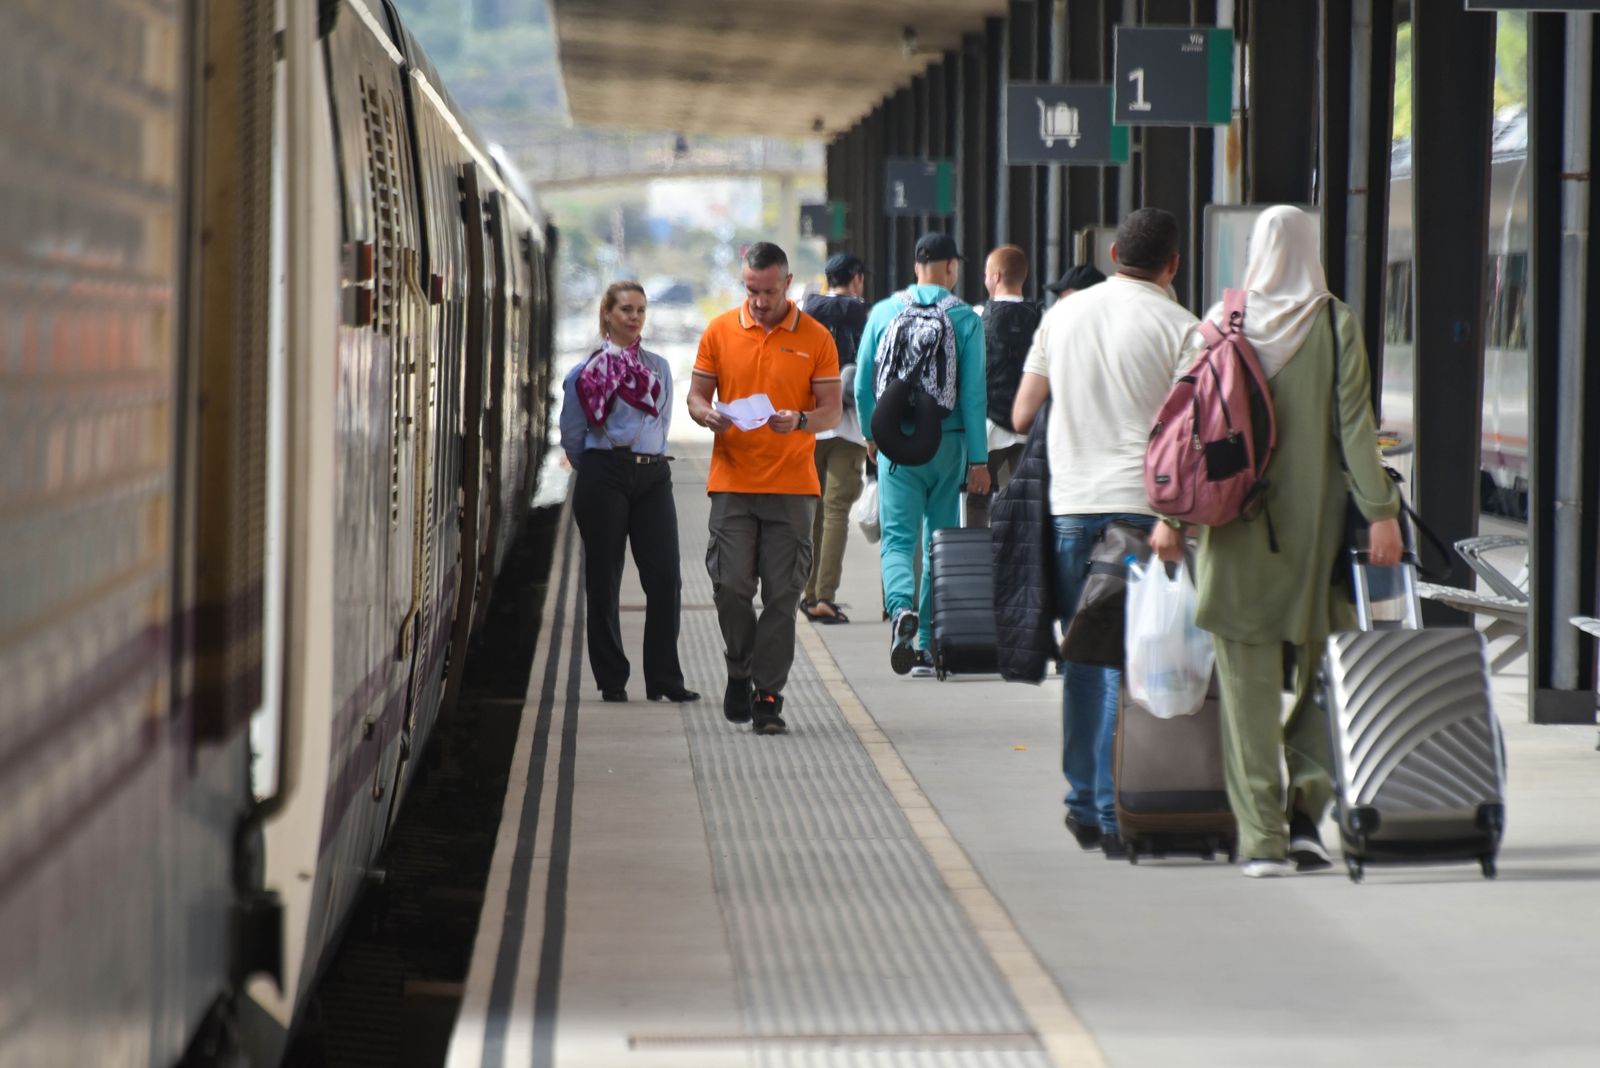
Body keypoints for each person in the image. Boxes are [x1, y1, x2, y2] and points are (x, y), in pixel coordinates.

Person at [1150, 205, 1402, 879]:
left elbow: (1183, 431)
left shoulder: (1217, 324)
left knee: (1246, 689)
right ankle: (1302, 815)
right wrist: (1382, 513)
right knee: (1329, 674)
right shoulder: (1334, 323)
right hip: (1311, 539)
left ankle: (1261, 838)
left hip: (1231, 531)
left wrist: (1170, 521)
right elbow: (1355, 430)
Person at [1010, 208, 1197, 858]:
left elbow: (1022, 409)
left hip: (1071, 506)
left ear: (1114, 251)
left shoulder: (1062, 316)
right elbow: (1190, 430)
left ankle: (1084, 804)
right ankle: (1120, 809)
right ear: (1173, 264)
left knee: (1084, 656)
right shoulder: (1184, 327)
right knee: (1128, 662)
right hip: (1143, 515)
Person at [687, 243, 843, 735]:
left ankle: (768, 695)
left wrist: (799, 420)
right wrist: (704, 413)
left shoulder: (817, 338)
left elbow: (832, 411)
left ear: (789, 283)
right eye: (750, 290)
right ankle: (740, 665)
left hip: (793, 489)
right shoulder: (719, 331)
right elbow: (696, 394)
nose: (758, 301)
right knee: (730, 586)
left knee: (782, 595)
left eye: (768, 291)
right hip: (732, 482)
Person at [855, 232, 989, 678]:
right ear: (951, 268)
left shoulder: (883, 312)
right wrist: (979, 460)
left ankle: (899, 613)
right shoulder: (966, 319)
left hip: (897, 444)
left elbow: (859, 385)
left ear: (917, 266)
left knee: (898, 540)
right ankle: (928, 645)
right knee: (939, 540)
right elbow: (973, 397)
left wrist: (874, 437)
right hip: (946, 444)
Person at [560, 281, 699, 705]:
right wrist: (603, 470)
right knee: (604, 579)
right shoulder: (585, 373)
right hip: (604, 473)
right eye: (625, 309)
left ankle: (663, 678)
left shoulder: (658, 367)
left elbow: (662, 422)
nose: (634, 316)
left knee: (665, 578)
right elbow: (572, 436)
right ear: (607, 314)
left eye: (640, 309)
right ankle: (612, 678)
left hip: (653, 475)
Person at [799, 253, 870, 624]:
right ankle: (824, 596)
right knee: (837, 510)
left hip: (810, 421)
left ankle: (808, 592)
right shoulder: (866, 315)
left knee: (813, 508)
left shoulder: (806, 314)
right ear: (856, 278)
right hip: (849, 424)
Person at [967, 245, 1042, 528]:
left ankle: (977, 562)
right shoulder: (1041, 318)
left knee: (977, 498)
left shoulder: (977, 317)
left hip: (987, 430)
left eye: (987, 274)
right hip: (1028, 429)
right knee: (1024, 506)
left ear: (996, 276)